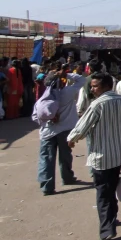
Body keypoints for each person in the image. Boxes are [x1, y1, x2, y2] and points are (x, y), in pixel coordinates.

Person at [67, 73, 121, 240]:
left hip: (101, 157)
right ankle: (112, 219)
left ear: (106, 86)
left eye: (95, 86)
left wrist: (71, 139)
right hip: (117, 155)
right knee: (109, 189)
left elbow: (82, 126)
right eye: (91, 86)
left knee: (103, 193)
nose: (92, 89)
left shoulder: (97, 104)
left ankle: (107, 229)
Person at [33, 64, 86, 195]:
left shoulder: (43, 98)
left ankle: (46, 186)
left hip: (47, 132)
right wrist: (65, 74)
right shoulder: (67, 92)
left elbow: (35, 117)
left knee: (46, 158)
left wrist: (48, 119)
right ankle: (67, 178)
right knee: (65, 155)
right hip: (65, 130)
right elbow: (81, 80)